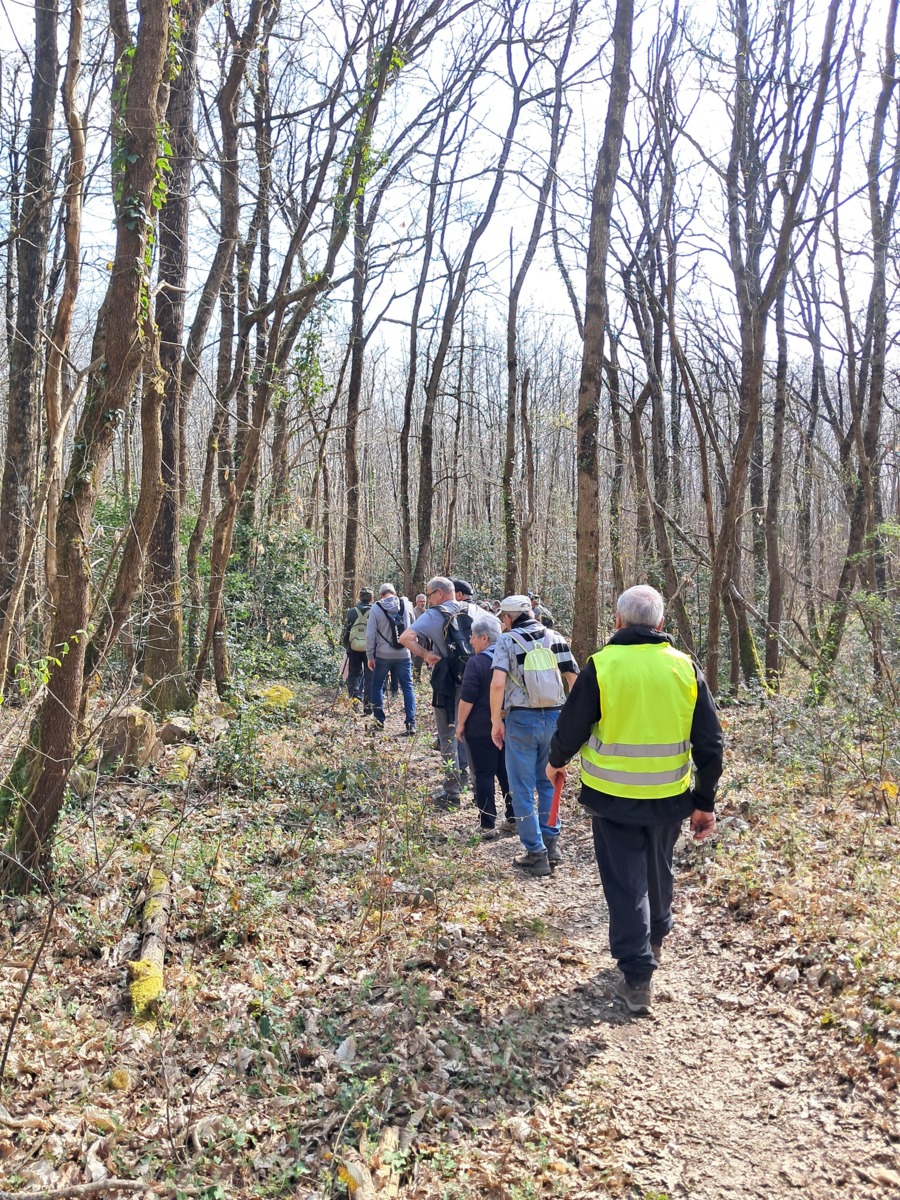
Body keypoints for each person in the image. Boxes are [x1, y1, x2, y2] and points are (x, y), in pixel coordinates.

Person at [545, 584, 723, 1015]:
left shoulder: (603, 666)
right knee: (658, 871)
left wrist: (555, 761)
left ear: (618, 621)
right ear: (660, 623)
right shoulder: (684, 667)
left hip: (612, 799)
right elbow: (710, 743)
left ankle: (638, 976)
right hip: (668, 797)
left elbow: (572, 726)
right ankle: (654, 939)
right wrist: (705, 801)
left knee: (626, 884)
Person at [490, 595, 578, 877]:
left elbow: (498, 684)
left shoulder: (507, 641)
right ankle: (551, 845)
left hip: (521, 720)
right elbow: (574, 679)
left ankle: (535, 853)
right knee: (549, 780)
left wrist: (495, 720)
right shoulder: (555, 637)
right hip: (554, 717)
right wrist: (571, 719)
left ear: (508, 618)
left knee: (521, 788)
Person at [398, 576, 469, 806]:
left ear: (439, 594)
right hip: (474, 680)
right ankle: (478, 790)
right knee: (472, 732)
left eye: (429, 595)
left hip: (447, 681)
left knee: (448, 733)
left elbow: (405, 637)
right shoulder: (473, 610)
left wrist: (426, 654)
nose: (428, 600)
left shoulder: (434, 614)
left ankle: (452, 792)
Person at [456, 613, 516, 840]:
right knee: (506, 772)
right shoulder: (510, 658)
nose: (470, 641)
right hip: (509, 725)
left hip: (480, 728)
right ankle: (514, 818)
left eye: (473, 636)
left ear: (485, 638)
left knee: (483, 774)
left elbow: (467, 698)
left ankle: (487, 824)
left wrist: (460, 723)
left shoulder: (477, 662)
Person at [366, 584, 417, 735]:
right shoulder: (406, 604)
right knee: (407, 687)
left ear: (380, 595)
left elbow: (370, 635)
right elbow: (415, 627)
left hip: (383, 655)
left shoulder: (376, 608)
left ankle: (379, 721)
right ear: (394, 593)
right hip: (404, 653)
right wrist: (414, 648)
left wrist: (370, 656)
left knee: (377, 685)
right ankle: (411, 723)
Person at [342, 588, 374, 712]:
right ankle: (368, 707)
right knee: (370, 677)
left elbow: (346, 631)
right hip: (370, 649)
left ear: (360, 597)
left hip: (353, 648)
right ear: (372, 598)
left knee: (354, 675)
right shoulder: (375, 611)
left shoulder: (351, 612)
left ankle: (354, 704)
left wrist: (347, 646)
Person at [412, 593, 427, 680]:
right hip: (417, 638)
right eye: (421, 601)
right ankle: (416, 678)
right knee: (417, 659)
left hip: (426, 638)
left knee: (422, 659)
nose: (423, 603)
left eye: (424, 601)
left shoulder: (427, 612)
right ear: (417, 602)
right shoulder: (413, 612)